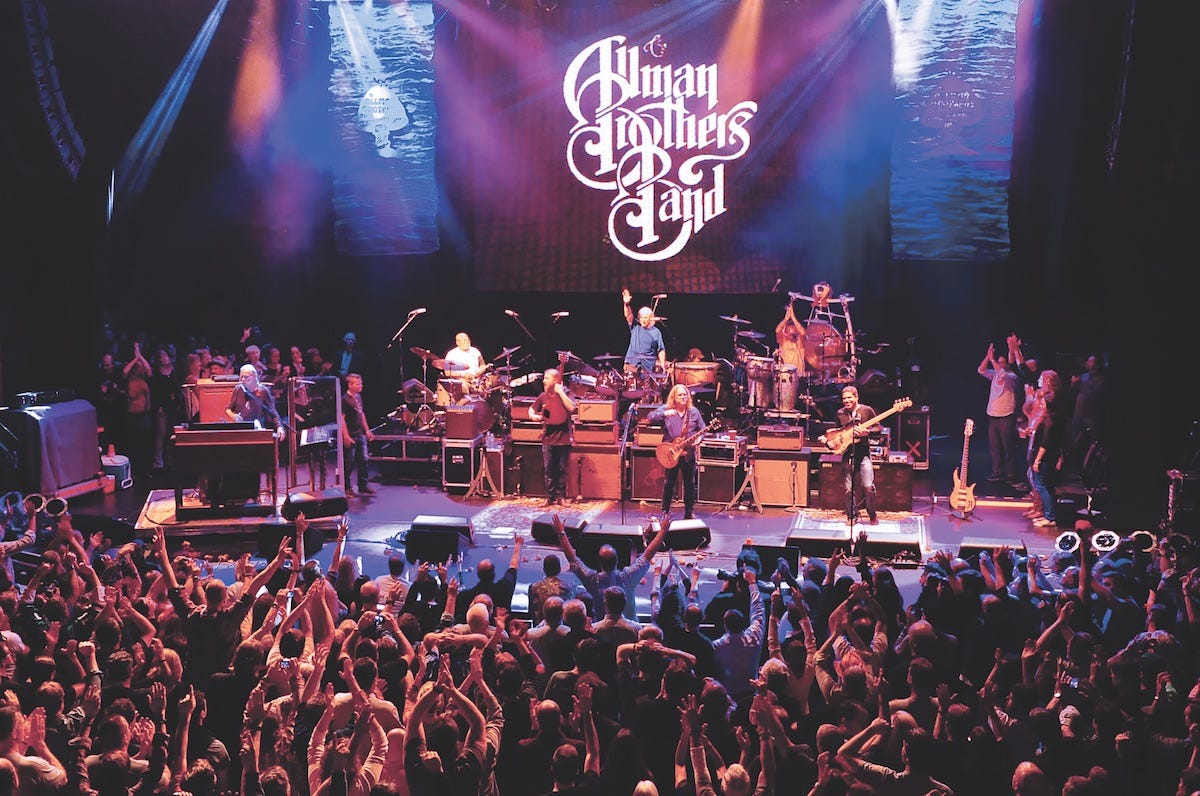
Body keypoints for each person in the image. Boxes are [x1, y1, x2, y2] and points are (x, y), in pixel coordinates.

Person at [820, 384, 878, 525]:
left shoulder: (867, 411)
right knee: (848, 489)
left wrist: (867, 433)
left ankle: (872, 514)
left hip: (863, 454)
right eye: (844, 398)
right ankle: (852, 516)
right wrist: (827, 440)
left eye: (849, 398)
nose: (846, 401)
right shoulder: (840, 413)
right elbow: (837, 431)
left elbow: (878, 428)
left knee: (868, 486)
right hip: (848, 454)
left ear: (856, 397)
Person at [647, 384, 706, 520]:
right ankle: (665, 511)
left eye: (685, 394)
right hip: (671, 453)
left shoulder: (693, 412)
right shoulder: (667, 409)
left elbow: (702, 428)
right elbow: (650, 417)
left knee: (689, 483)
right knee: (669, 483)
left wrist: (700, 438)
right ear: (674, 397)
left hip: (688, 453)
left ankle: (689, 512)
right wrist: (664, 414)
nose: (683, 397)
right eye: (680, 395)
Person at [978, 341, 1023, 485]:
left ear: (1008, 364)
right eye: (999, 362)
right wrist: (988, 356)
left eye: (1003, 362)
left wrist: (993, 360)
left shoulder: (1012, 376)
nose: (1001, 364)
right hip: (993, 414)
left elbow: (1003, 374)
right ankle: (998, 472)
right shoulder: (995, 374)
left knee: (1008, 447)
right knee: (995, 447)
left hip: (1006, 415)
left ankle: (1011, 474)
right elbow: (981, 370)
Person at [530, 369, 576, 507]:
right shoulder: (543, 396)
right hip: (548, 438)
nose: (544, 380)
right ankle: (549, 497)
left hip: (563, 438)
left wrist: (560, 392)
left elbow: (572, 408)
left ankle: (561, 497)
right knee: (549, 470)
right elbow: (532, 408)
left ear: (556, 380)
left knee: (561, 469)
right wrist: (532, 415)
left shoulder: (566, 394)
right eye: (544, 378)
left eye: (547, 378)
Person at [1029, 369, 1067, 528]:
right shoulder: (1054, 418)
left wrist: (1037, 460)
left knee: (1041, 485)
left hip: (1046, 456)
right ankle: (1049, 515)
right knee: (1047, 485)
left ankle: (1050, 517)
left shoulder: (1051, 422)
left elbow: (1046, 443)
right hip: (1051, 454)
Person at [339, 373, 375, 497]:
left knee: (363, 460)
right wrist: (346, 436)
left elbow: (361, 413)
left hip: (360, 434)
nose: (360, 386)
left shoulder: (358, 397)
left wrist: (367, 430)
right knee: (349, 463)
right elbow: (341, 419)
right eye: (357, 384)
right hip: (351, 435)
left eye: (361, 383)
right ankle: (346, 487)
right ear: (350, 385)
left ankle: (363, 485)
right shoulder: (344, 399)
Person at [226, 365, 283, 436]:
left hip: (257, 428)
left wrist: (279, 427)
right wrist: (234, 416)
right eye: (241, 377)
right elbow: (228, 409)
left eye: (246, 377)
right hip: (240, 428)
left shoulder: (263, 391)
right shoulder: (238, 389)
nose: (243, 379)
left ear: (254, 377)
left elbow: (272, 412)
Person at [621, 289, 666, 374]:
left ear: (651, 318)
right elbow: (628, 315)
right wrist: (626, 304)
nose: (643, 320)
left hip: (647, 369)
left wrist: (662, 364)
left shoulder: (656, 332)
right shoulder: (635, 327)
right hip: (631, 365)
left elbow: (661, 349)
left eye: (645, 317)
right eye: (641, 317)